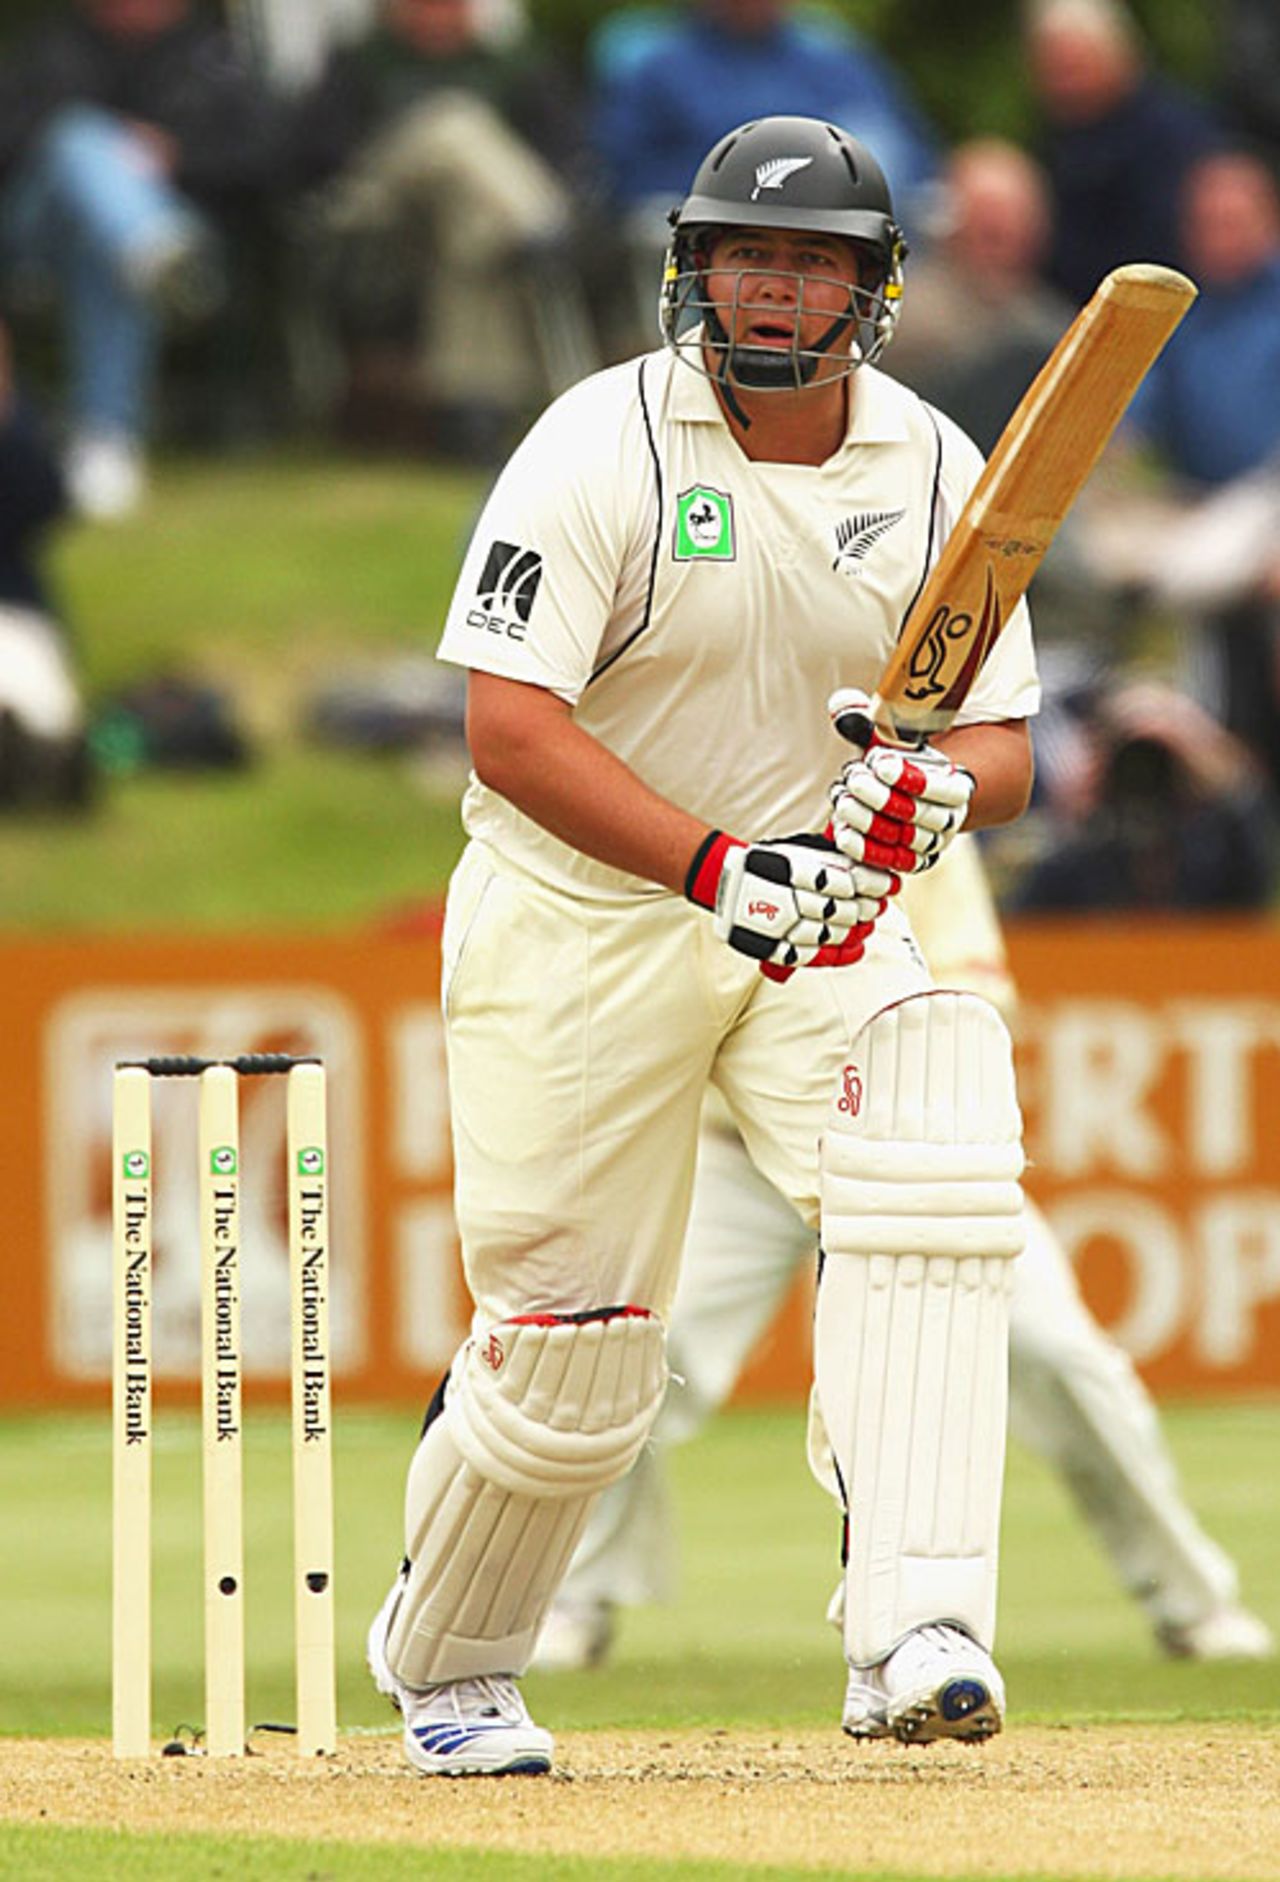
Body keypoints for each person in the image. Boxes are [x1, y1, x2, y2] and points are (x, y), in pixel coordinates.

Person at [364, 112, 1040, 1778]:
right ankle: (453, 1657)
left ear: (871, 288)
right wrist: (712, 866)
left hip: (819, 914)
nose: (775, 286)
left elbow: (1002, 734)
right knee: (576, 1344)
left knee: (931, 1181)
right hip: (584, 918)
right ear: (696, 270)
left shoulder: (937, 464)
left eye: (812, 260)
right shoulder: (597, 444)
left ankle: (917, 1625)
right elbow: (508, 728)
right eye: (747, 253)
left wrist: (935, 797)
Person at [533, 835, 1277, 1682]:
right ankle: (575, 1598)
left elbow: (976, 997)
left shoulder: (906, 813)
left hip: (915, 1152)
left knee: (1061, 1357)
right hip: (734, 1152)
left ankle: (1193, 1602)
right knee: (636, 1351)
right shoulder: (697, 801)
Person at [0, 0, 280, 519]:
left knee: (109, 255)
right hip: (38, 233)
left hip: (182, 223)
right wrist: (108, 150)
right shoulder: (47, 51)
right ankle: (148, 244)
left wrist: (176, 155)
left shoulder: (216, 59)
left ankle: (105, 440)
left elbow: (265, 159)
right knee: (80, 140)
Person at [288, 0, 598, 462]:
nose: (434, 15)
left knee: (474, 232)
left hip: (472, 218)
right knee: (452, 126)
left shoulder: (516, 67)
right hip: (373, 210)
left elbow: (565, 152)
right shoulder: (358, 65)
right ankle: (538, 226)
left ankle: (472, 412)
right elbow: (317, 159)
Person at [1078, 150, 1280, 796]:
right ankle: (1165, 760)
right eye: (1205, 222)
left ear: (1269, 222)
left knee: (1199, 578)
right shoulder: (1182, 311)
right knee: (1096, 551)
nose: (1218, 235)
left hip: (1267, 502)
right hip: (1199, 507)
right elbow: (1131, 423)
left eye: (1233, 220)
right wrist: (1114, 457)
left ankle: (1231, 775)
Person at [587, 1, 939, 351]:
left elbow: (913, 158)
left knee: (935, 335)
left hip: (849, 262)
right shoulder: (659, 69)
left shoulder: (836, 60)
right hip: (716, 261)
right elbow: (627, 172)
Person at [1024, 0, 1222, 307]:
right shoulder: (1055, 139)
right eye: (1054, 70)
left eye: (1075, 66)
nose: (1066, 84)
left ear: (1120, 56)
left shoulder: (1170, 136)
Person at [0, 314, 90, 806]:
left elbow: (49, 500)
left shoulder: (20, 438)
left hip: (13, 614)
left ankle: (34, 765)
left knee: (41, 705)